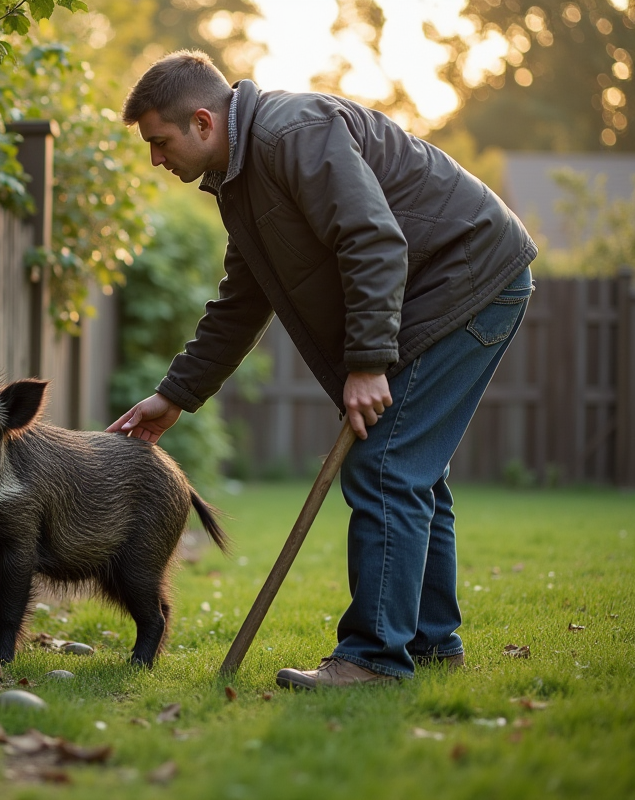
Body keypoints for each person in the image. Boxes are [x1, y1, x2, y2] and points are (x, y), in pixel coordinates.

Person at [106, 50, 537, 688]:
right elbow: (243, 301)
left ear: (202, 122)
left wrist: (367, 363)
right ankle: (430, 643)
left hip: (467, 277)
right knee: (411, 469)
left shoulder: (293, 133)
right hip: (440, 287)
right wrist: (176, 395)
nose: (156, 159)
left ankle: (372, 660)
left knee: (386, 465)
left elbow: (373, 239)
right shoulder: (241, 179)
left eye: (159, 142)